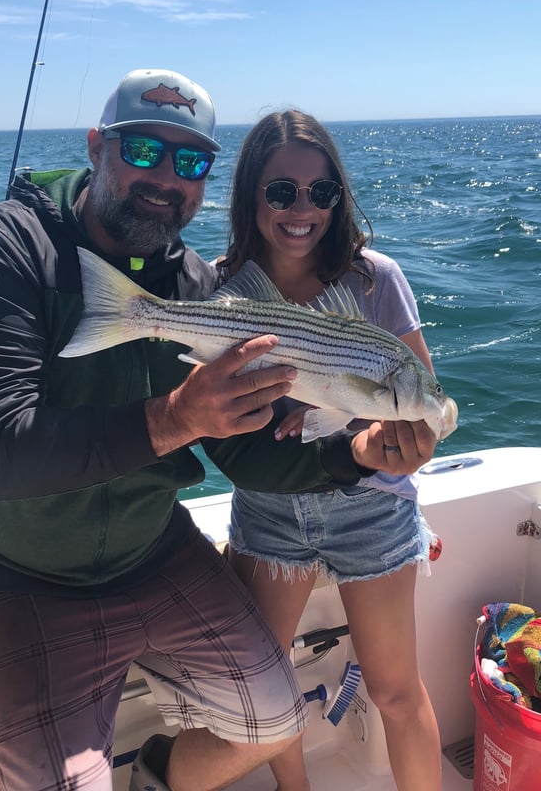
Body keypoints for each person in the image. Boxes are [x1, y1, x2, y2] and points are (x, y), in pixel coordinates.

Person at [0, 71, 407, 791]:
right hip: (9, 569)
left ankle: (158, 774)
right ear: (96, 146)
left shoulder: (193, 287)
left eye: (190, 162)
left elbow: (245, 448)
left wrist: (354, 456)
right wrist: (173, 418)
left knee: (278, 718)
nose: (166, 179)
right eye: (144, 150)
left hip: (150, 548)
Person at [213, 110, 442, 791]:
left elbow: (422, 412)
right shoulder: (223, 292)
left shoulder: (377, 279)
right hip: (270, 510)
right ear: (251, 195)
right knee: (267, 696)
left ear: (338, 199)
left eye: (321, 193)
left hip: (373, 507)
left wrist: (396, 448)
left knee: (397, 693)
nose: (302, 209)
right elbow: (220, 428)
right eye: (281, 192)